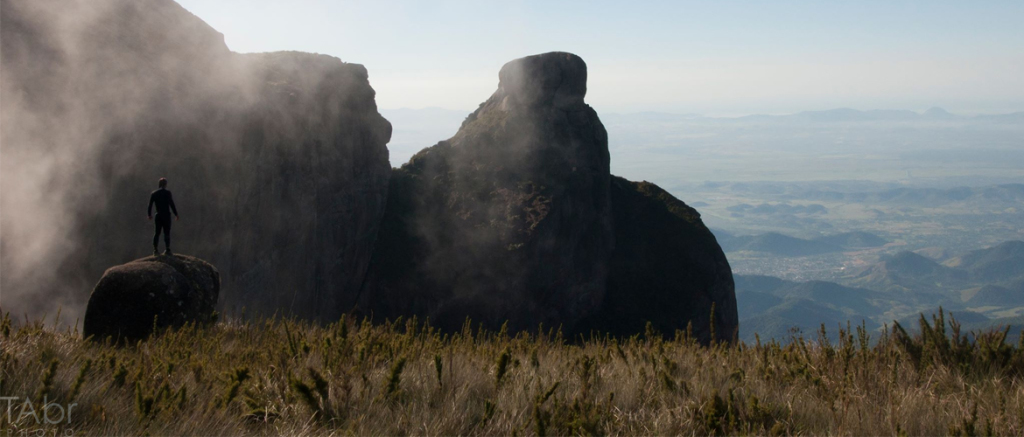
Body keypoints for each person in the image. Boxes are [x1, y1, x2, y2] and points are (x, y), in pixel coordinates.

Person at [147, 178, 179, 256]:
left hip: (158, 215)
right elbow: (171, 204)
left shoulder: (154, 193)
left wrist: (149, 215)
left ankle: (155, 250)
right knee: (166, 233)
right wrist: (176, 214)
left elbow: (150, 205)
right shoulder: (168, 193)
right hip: (166, 215)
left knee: (157, 233)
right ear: (165, 184)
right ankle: (167, 249)